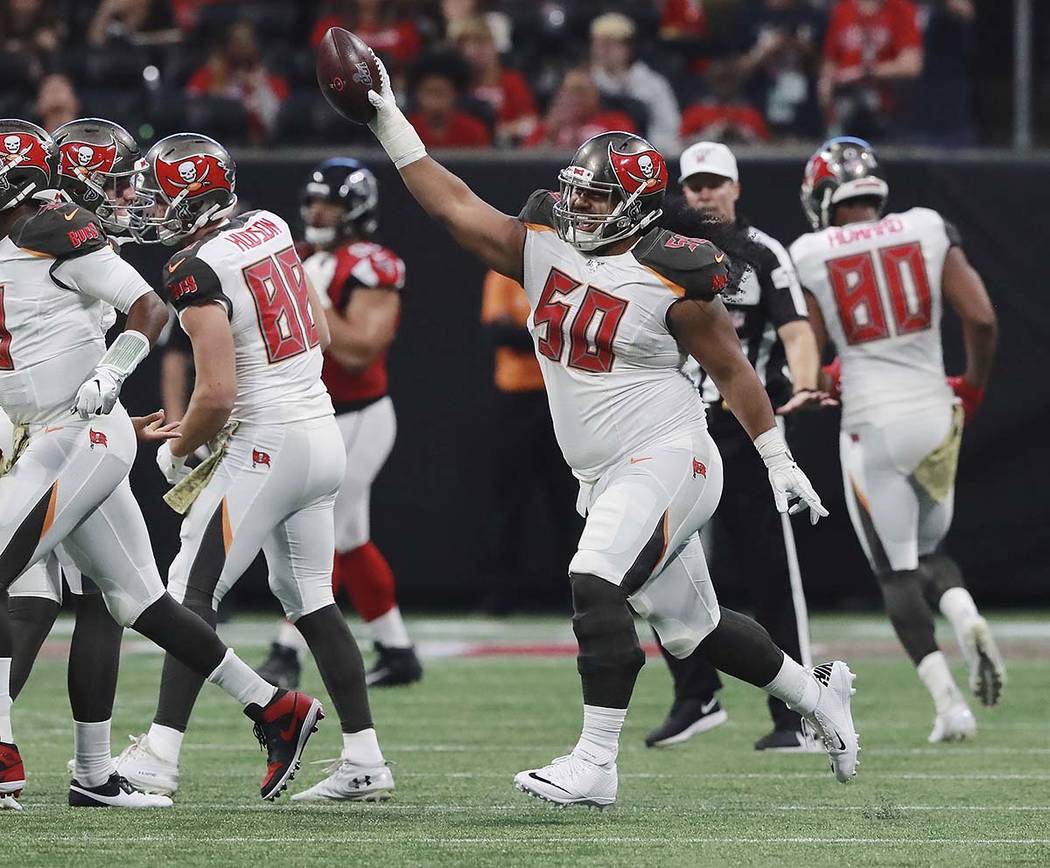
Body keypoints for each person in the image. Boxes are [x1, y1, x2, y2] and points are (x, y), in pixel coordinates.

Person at [359, 56, 860, 808]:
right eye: (577, 194)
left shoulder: (672, 273)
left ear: (635, 206)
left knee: (593, 579)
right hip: (603, 469)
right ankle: (821, 702)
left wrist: (777, 457)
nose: (580, 208)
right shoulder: (543, 244)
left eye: (596, 198)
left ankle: (595, 764)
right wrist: (386, 120)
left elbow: (735, 373)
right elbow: (451, 204)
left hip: (668, 455)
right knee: (698, 628)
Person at [0, 119, 324, 811]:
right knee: (137, 600)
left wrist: (113, 373)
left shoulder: (50, 227)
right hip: (47, 431)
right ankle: (272, 708)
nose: (122, 198)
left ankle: (1, 754)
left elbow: (145, 307)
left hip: (76, 434)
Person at [113, 134, 393, 804]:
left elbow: (216, 394)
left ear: (196, 195)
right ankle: (363, 759)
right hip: (320, 431)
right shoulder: (268, 224)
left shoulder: (193, 267)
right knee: (312, 600)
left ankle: (159, 757)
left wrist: (177, 450)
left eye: (160, 192)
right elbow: (318, 334)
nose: (150, 205)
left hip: (269, 443)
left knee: (188, 595)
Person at [791, 136, 1004, 742]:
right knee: (930, 552)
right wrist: (976, 388)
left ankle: (949, 707)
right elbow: (983, 318)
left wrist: (815, 381)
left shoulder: (811, 250)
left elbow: (808, 347)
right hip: (937, 410)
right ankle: (964, 613)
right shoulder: (928, 226)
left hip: (873, 421)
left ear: (825, 198)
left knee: (895, 571)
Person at [645, 141, 828, 752]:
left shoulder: (760, 253)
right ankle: (695, 694)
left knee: (770, 570)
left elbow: (796, 327)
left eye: (714, 183)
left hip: (744, 427)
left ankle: (797, 713)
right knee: (655, 561)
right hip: (676, 424)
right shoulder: (660, 247)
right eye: (693, 185)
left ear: (736, 188)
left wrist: (804, 382)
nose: (703, 194)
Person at [257, 157, 423, 691]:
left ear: (356, 209)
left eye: (330, 201)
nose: (318, 211)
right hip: (315, 413)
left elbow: (360, 349)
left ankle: (286, 652)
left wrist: (303, 292)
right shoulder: (301, 257)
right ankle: (397, 650)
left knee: (320, 532)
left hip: (358, 415)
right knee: (350, 537)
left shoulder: (371, 263)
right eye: (313, 200)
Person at [477, 268, 581, 613]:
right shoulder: (503, 274)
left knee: (570, 500)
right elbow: (497, 332)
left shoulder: (569, 270)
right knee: (508, 501)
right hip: (515, 399)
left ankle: (579, 592)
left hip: (562, 398)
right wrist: (547, 337)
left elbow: (578, 334)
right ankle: (502, 593)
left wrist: (534, 335)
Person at [818, 0, 922, 140]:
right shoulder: (843, 9)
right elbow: (830, 62)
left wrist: (862, 73)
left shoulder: (900, 9)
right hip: (844, 101)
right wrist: (826, 90)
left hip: (884, 104)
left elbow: (911, 65)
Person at [589, 12, 681, 153]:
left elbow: (671, 129)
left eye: (611, 45)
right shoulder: (584, 83)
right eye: (600, 44)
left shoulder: (652, 84)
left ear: (627, 48)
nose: (604, 51)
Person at [185, 20, 289, 144]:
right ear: (227, 45)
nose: (243, 46)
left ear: (256, 45)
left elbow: (276, 121)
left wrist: (258, 88)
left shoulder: (272, 82)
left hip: (258, 149)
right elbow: (189, 110)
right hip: (212, 145)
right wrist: (218, 83)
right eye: (237, 41)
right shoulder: (206, 76)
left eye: (247, 41)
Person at [451, 16, 538, 146]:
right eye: (468, 45)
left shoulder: (512, 81)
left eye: (481, 43)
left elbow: (530, 122)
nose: (475, 51)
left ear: (494, 46)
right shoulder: (456, 86)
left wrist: (500, 131)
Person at [524, 68, 637, 150]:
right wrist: (551, 134)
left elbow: (628, 150)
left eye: (581, 92)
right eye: (570, 93)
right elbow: (526, 162)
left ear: (595, 95)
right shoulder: (548, 127)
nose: (575, 99)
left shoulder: (615, 122)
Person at [407, 50, 491, 149]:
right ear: (418, 94)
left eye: (440, 93)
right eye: (430, 93)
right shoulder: (405, 131)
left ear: (454, 95)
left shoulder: (474, 131)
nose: (435, 101)